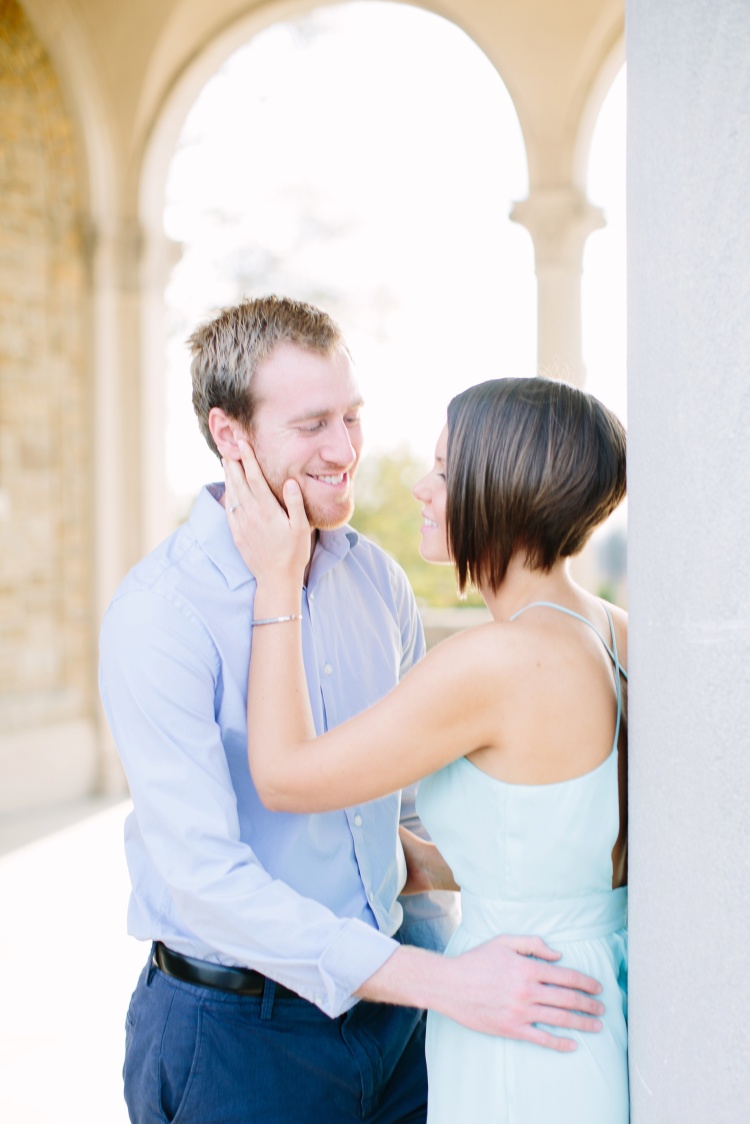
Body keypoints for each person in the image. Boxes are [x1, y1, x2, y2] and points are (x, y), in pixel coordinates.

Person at [99, 297, 606, 1124]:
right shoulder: (159, 615)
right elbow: (205, 884)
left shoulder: (377, 582)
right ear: (231, 436)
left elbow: (394, 816)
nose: (346, 451)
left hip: (405, 1017)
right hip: (241, 1039)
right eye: (312, 425)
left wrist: (514, 896)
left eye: (353, 417)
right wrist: (447, 984)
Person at [223, 373, 629, 1123]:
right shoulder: (610, 629)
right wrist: (429, 861)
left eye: (444, 471)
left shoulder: (497, 661)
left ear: (499, 490)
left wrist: (276, 585)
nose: (420, 486)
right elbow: (584, 843)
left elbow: (283, 776)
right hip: (590, 996)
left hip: (521, 1018)